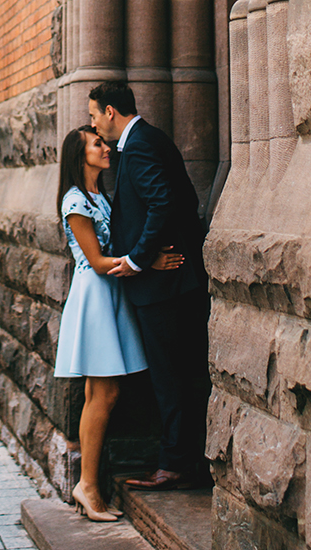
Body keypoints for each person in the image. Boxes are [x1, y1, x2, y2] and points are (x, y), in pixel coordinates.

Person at [53, 124, 184, 521]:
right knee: (102, 395)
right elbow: (95, 260)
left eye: (104, 140)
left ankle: (90, 483)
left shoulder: (99, 196)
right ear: (81, 156)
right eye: (97, 144)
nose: (106, 147)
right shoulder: (75, 201)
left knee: (105, 394)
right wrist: (148, 261)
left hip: (112, 293)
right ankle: (87, 485)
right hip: (95, 295)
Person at [89, 80, 210, 491]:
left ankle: (176, 463)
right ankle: (181, 457)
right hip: (166, 279)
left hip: (163, 285)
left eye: (94, 115)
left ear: (110, 112)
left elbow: (164, 203)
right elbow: (184, 199)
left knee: (168, 374)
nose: (93, 125)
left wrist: (141, 259)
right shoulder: (146, 140)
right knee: (171, 372)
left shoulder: (139, 144)